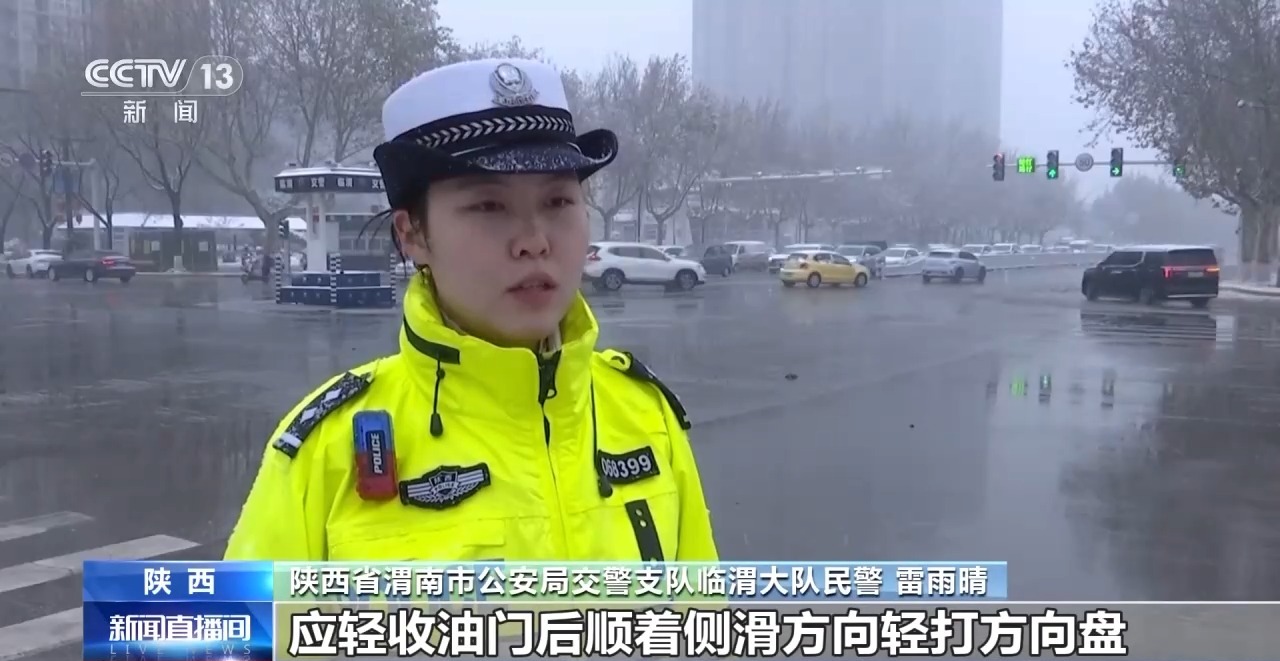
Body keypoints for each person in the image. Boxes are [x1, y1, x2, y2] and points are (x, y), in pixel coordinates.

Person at [224, 59, 718, 563]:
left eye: (558, 202)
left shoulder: (646, 418)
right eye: (489, 207)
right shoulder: (327, 451)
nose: (534, 241)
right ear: (412, 234)